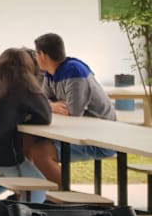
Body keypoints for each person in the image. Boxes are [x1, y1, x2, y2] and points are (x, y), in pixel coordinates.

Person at [28, 32, 116, 183]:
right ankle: (37, 196)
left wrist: (49, 106)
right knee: (27, 144)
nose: (36, 58)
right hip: (77, 133)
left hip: (99, 139)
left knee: (39, 152)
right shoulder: (51, 74)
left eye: (36, 54)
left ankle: (63, 198)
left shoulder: (74, 71)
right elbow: (43, 102)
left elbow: (72, 112)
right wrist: (52, 106)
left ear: (42, 55)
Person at [0, 47, 52, 204]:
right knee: (37, 184)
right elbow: (45, 116)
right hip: (5, 156)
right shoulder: (23, 85)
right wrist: (25, 118)